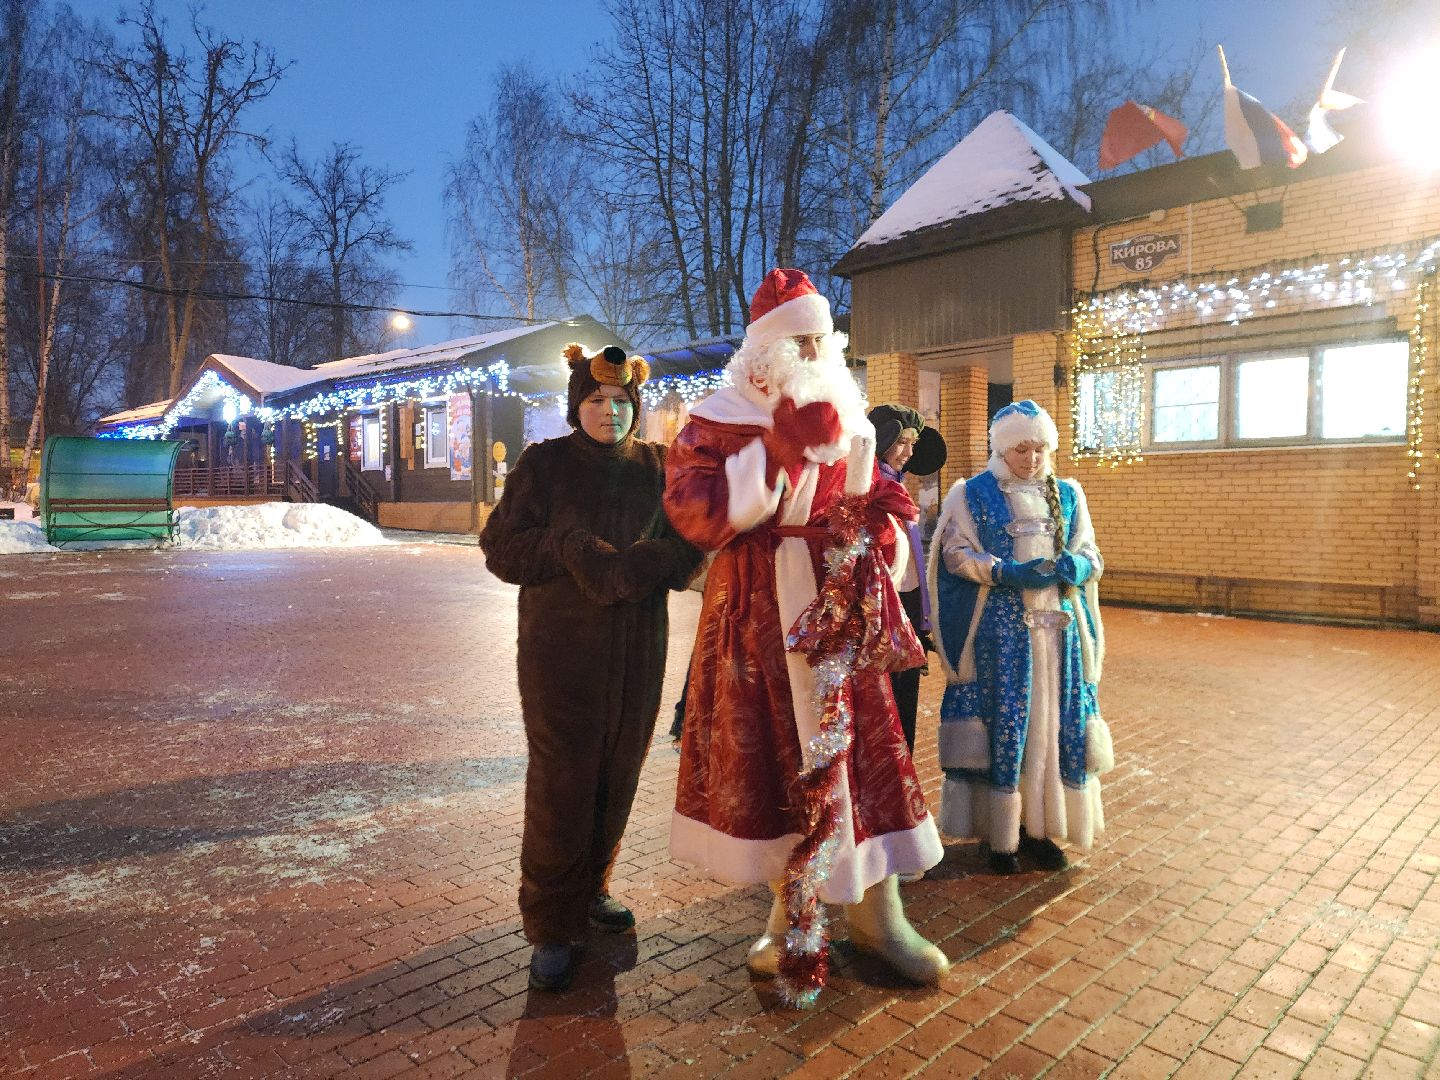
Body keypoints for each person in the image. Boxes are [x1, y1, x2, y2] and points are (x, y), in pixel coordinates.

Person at [664, 268, 949, 1003]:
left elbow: (858, 502)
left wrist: (879, 523)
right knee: (781, 764)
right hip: (758, 611)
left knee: (862, 757)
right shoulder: (716, 419)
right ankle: (790, 914)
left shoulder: (850, 415)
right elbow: (696, 515)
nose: (814, 349)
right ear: (765, 349)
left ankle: (879, 914)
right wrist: (779, 450)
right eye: (799, 338)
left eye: (821, 337)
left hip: (839, 606)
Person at [480, 342, 702, 992]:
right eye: (598, 400)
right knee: (561, 784)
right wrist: (569, 546)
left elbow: (692, 544)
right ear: (577, 404)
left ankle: (593, 889)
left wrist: (649, 562)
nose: (611, 411)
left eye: (623, 401)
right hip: (561, 658)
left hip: (638, 653)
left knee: (618, 777)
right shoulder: (544, 464)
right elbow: (500, 548)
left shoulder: (658, 467)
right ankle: (552, 922)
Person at [927, 399, 1114, 875]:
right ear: (1001, 448)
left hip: (1059, 639)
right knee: (1008, 724)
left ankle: (1041, 830)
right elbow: (954, 554)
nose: (1031, 459)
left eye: (1038, 449)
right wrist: (1005, 572)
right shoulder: (970, 494)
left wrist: (1078, 565)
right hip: (1001, 639)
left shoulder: (1069, 493)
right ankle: (1000, 837)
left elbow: (1090, 551)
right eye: (1021, 449)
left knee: (1054, 725)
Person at [867, 404, 948, 754]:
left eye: (913, 443)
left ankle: (902, 775)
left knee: (905, 702)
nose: (908, 452)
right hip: (880, 610)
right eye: (901, 441)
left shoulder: (897, 485)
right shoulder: (865, 484)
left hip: (908, 607)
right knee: (883, 704)